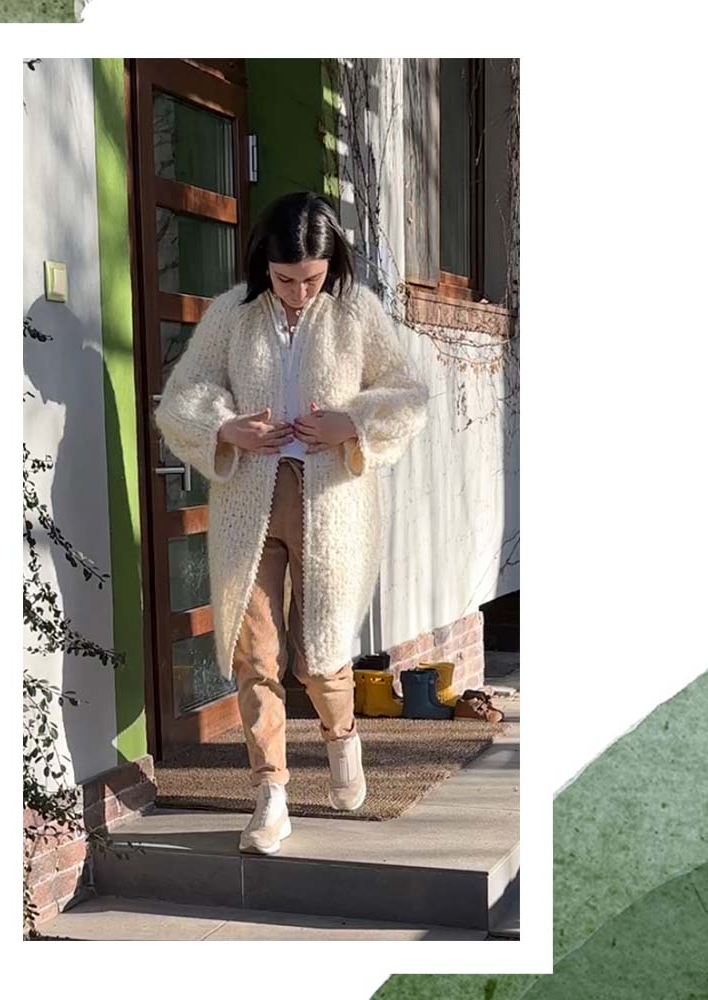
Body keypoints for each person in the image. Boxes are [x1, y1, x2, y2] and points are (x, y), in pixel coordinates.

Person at [153, 191, 429, 855]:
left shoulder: (356, 312)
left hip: (330, 501)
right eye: (285, 279)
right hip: (248, 503)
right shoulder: (231, 314)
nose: (299, 293)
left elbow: (407, 393)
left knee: (320, 654)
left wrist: (351, 422)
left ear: (330, 265)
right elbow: (182, 395)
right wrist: (227, 428)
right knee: (255, 656)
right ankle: (270, 794)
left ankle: (341, 735)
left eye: (311, 278)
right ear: (264, 265)